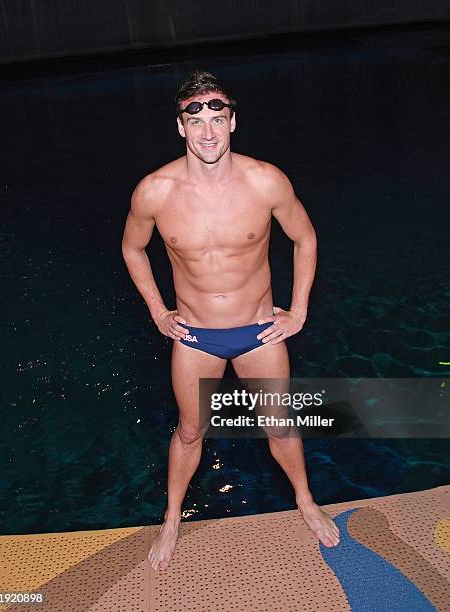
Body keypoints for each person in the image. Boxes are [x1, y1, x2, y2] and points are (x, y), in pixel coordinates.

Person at [122, 70, 340, 571]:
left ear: (233, 122)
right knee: (191, 432)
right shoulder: (155, 191)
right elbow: (133, 250)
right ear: (180, 127)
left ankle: (306, 501)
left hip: (259, 332)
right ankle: (173, 517)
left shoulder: (265, 180)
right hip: (194, 336)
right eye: (196, 122)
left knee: (280, 426)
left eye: (218, 119)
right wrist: (157, 310)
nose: (208, 133)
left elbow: (305, 238)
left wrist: (299, 309)